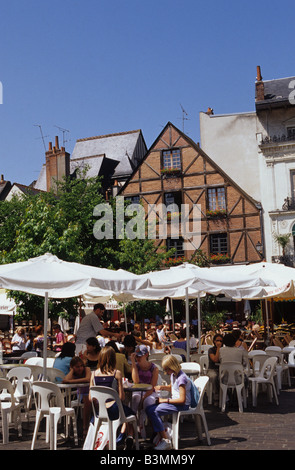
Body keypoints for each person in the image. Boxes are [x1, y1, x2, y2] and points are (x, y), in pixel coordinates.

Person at [90, 346, 135, 450]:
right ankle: (127, 436)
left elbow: (90, 398)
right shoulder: (117, 373)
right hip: (114, 409)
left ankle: (121, 437)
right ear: (113, 359)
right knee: (131, 415)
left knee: (125, 413)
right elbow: (121, 397)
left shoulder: (93, 374)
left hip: (100, 411)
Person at [146, 354, 191, 450]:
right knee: (149, 409)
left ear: (172, 367)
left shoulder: (181, 378)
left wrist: (164, 401)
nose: (166, 372)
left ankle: (165, 440)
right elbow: (173, 387)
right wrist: (162, 387)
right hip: (175, 402)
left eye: (167, 369)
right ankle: (159, 433)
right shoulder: (174, 375)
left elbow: (182, 400)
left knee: (154, 411)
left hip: (181, 405)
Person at [63, 356, 92, 437]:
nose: (80, 368)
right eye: (77, 367)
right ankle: (85, 428)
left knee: (88, 400)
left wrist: (71, 381)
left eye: (81, 366)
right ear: (72, 367)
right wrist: (72, 371)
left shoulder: (87, 369)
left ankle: (89, 425)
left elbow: (88, 379)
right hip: (81, 395)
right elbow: (65, 380)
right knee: (87, 400)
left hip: (90, 393)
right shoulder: (73, 373)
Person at [130, 345, 159, 414]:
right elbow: (136, 381)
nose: (138, 358)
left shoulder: (154, 368)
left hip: (150, 391)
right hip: (138, 390)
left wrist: (143, 399)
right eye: (136, 356)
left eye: (140, 356)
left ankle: (143, 422)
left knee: (147, 401)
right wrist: (133, 363)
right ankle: (133, 420)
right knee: (135, 398)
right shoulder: (135, 366)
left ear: (146, 355)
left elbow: (152, 387)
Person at [208, 333, 224, 405]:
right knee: (214, 377)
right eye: (218, 340)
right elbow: (215, 359)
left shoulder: (224, 350)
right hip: (212, 369)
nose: (219, 342)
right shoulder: (211, 350)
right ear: (214, 341)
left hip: (223, 369)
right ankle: (216, 397)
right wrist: (218, 349)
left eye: (221, 341)